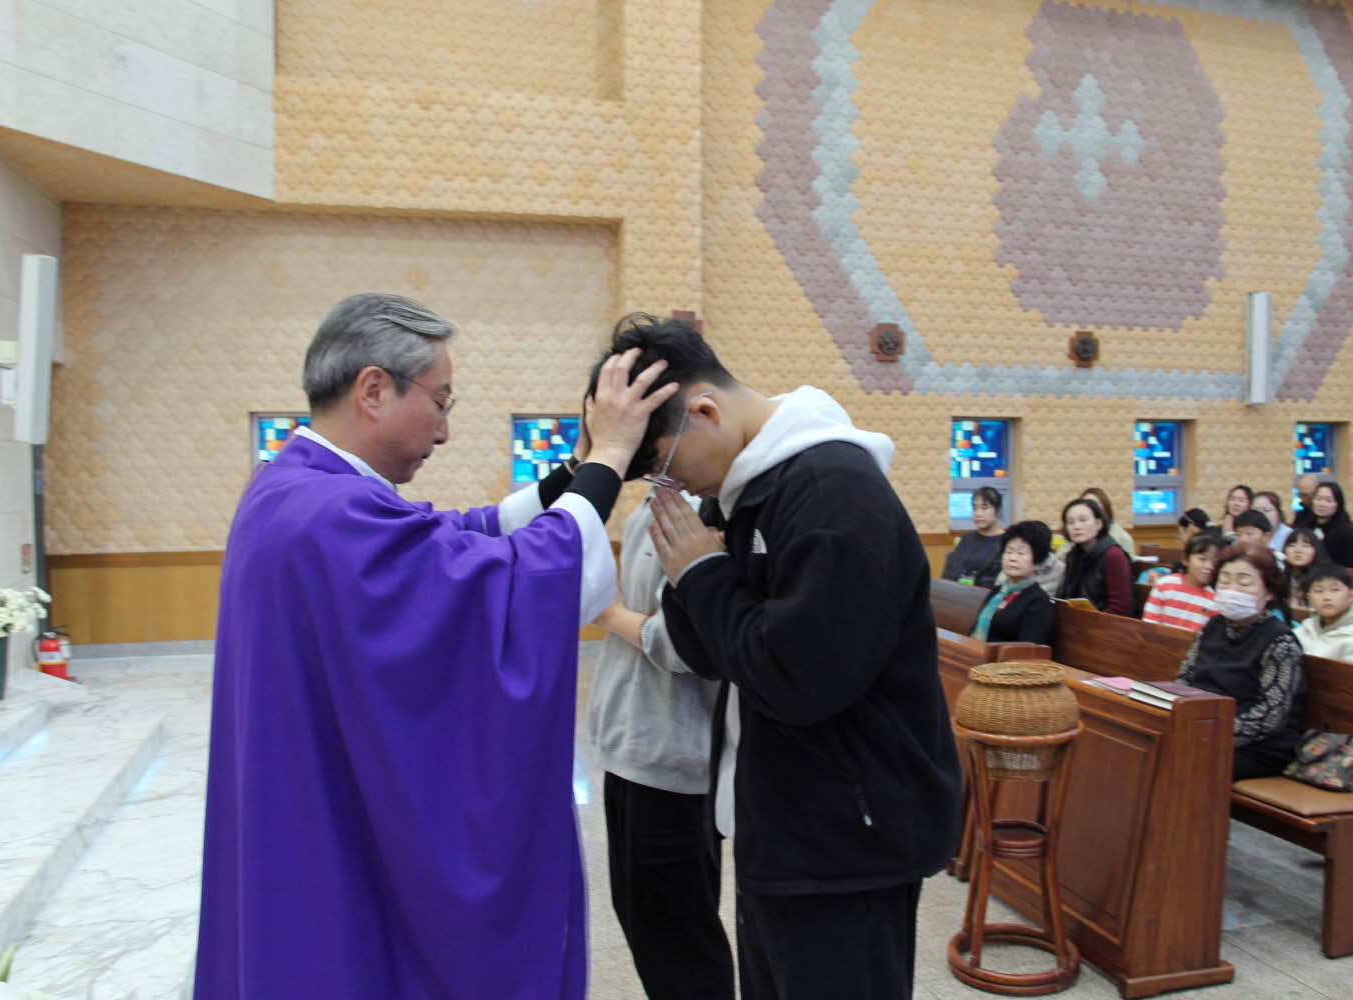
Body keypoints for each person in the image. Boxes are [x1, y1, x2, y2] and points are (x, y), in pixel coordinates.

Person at [195, 293, 677, 999]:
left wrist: (577, 467)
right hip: (328, 828)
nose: (445, 432)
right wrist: (610, 453)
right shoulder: (331, 511)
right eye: (441, 401)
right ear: (373, 390)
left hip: (305, 803)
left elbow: (450, 542)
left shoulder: (292, 486)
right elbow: (504, 584)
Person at [624, 313, 960, 1000]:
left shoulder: (832, 491)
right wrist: (690, 571)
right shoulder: (742, 493)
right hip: (780, 823)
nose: (672, 488)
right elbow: (709, 652)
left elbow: (799, 681)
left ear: (706, 412)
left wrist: (702, 575)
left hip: (846, 839)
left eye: (666, 466)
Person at [587, 489, 733, 1000]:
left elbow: (693, 647)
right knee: (642, 919)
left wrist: (607, 612)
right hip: (630, 747)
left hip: (674, 757)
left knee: (679, 937)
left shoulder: (703, 509)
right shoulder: (652, 501)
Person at [1176, 544, 1307, 780]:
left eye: (1244, 583)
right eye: (1225, 580)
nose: (1232, 589)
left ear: (1269, 592)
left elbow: (1270, 716)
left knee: (1187, 759)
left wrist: (1210, 732)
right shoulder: (1213, 626)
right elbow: (1185, 678)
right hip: (1203, 728)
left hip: (1258, 746)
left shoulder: (1280, 640)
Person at [971, 520, 1056, 645]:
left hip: (1005, 657)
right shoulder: (998, 591)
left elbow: (1029, 649)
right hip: (980, 652)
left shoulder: (1038, 601)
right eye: (1009, 552)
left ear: (1037, 562)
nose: (1012, 558)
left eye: (1021, 553)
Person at [1293, 564, 1353, 669]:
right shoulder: (1303, 630)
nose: (1327, 597)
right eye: (1319, 591)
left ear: (1352, 595)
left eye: (1335, 590)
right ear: (1309, 598)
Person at [1057, 497, 1134, 616]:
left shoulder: (1114, 555)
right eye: (1070, 522)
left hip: (1107, 622)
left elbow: (1120, 607)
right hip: (1080, 619)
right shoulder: (1073, 555)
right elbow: (1067, 596)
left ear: (1098, 523)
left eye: (1083, 520)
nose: (1076, 526)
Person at [1142, 532, 1222, 633]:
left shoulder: (1215, 600)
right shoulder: (1164, 585)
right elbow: (1149, 625)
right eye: (1202, 559)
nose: (1209, 566)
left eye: (1214, 562)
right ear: (1186, 559)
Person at [942, 486, 1006, 589]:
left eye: (984, 508)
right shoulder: (967, 538)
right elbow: (950, 572)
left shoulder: (1006, 541)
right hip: (959, 593)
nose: (978, 514)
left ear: (997, 510)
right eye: (975, 508)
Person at [1300, 480, 1353, 567]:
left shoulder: (1345, 533)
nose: (1322, 504)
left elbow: (1347, 566)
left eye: (1328, 500)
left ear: (1338, 504)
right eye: (1318, 499)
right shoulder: (1305, 526)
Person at [1283, 527, 1332, 611]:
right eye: (1292, 545)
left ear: (1316, 550)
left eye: (1306, 546)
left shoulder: (1324, 580)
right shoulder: (1280, 575)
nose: (1298, 550)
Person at [1081, 486, 1136, 557]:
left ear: (1105, 508)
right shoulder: (1077, 534)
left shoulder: (1122, 538)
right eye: (1086, 505)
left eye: (1095, 504)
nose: (1090, 508)